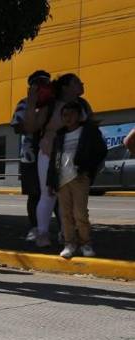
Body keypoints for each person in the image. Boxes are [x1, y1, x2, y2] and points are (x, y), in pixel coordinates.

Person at [26, 73, 92, 248]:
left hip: (73, 156)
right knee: (48, 195)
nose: (81, 83)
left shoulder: (83, 106)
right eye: (77, 82)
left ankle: (67, 234)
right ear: (65, 87)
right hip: (50, 154)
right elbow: (31, 126)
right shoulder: (51, 105)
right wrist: (31, 103)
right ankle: (42, 233)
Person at [47, 101, 107, 259]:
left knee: (80, 213)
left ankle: (86, 243)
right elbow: (54, 159)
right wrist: (50, 181)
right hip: (62, 179)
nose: (68, 118)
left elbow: (100, 151)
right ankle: (69, 244)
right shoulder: (60, 135)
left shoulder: (88, 132)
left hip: (79, 177)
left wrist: (87, 169)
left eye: (72, 114)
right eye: (64, 115)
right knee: (65, 214)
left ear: (80, 115)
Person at [11, 70, 53, 242]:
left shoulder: (54, 103)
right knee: (34, 194)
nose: (42, 87)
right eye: (38, 83)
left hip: (52, 152)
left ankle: (59, 229)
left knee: (54, 192)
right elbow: (19, 127)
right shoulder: (25, 103)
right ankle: (35, 227)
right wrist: (32, 106)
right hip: (30, 155)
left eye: (45, 82)